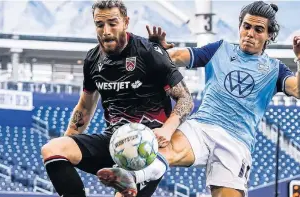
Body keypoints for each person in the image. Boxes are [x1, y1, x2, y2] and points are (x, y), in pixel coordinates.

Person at [103, 1, 300, 197]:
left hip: (236, 141)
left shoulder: (275, 69)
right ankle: (130, 177)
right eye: (246, 26)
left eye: (258, 30)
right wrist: (158, 51)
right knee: (169, 150)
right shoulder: (220, 49)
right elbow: (177, 57)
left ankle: (133, 176)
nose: (250, 33)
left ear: (268, 35)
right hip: (202, 126)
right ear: (240, 26)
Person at [40, 0, 194, 197]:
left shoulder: (148, 52)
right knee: (53, 149)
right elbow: (85, 107)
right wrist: (68, 142)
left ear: (126, 22)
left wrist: (167, 129)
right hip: (113, 142)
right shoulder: (93, 59)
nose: (106, 31)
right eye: (100, 24)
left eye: (113, 23)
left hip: (144, 150)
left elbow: (185, 99)